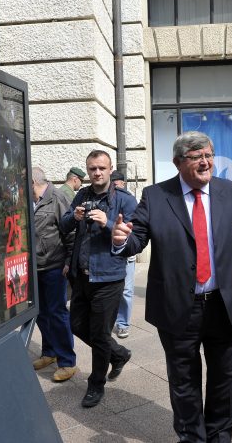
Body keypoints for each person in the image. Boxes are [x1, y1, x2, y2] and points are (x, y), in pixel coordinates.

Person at [112, 131, 232, 443]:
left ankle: (220, 435)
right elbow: (137, 237)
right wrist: (123, 241)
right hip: (178, 306)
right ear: (178, 162)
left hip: (224, 304)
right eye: (197, 157)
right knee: (184, 381)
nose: (206, 162)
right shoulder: (155, 196)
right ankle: (192, 437)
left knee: (223, 379)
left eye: (208, 155)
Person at [60, 150, 137, 408]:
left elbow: (135, 240)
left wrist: (108, 223)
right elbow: (64, 224)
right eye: (92, 169)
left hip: (109, 277)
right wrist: (75, 216)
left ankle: (96, 385)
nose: (97, 173)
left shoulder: (125, 200)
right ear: (87, 170)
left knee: (100, 335)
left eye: (101, 168)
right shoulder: (81, 195)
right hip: (82, 277)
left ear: (110, 168)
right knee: (78, 325)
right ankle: (119, 354)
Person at [30, 167, 78, 382]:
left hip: (54, 266)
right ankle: (49, 352)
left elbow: (71, 231)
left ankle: (67, 362)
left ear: (32, 181)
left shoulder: (57, 197)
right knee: (40, 312)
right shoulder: (27, 201)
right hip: (33, 267)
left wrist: (68, 262)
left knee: (57, 313)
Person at [110, 170, 135, 339]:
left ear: (123, 183)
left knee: (126, 290)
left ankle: (123, 323)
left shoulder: (129, 199)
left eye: (117, 183)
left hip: (125, 252)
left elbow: (135, 226)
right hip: (109, 252)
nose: (115, 187)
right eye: (113, 184)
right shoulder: (106, 198)